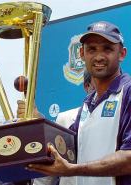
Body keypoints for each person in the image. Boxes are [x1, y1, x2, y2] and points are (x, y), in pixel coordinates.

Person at [27, 21, 131, 185]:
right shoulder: (88, 103)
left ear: (122, 53)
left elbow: (129, 159)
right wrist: (37, 123)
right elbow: (66, 146)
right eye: (92, 49)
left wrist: (71, 170)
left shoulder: (128, 92)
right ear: (82, 54)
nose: (99, 56)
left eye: (107, 48)